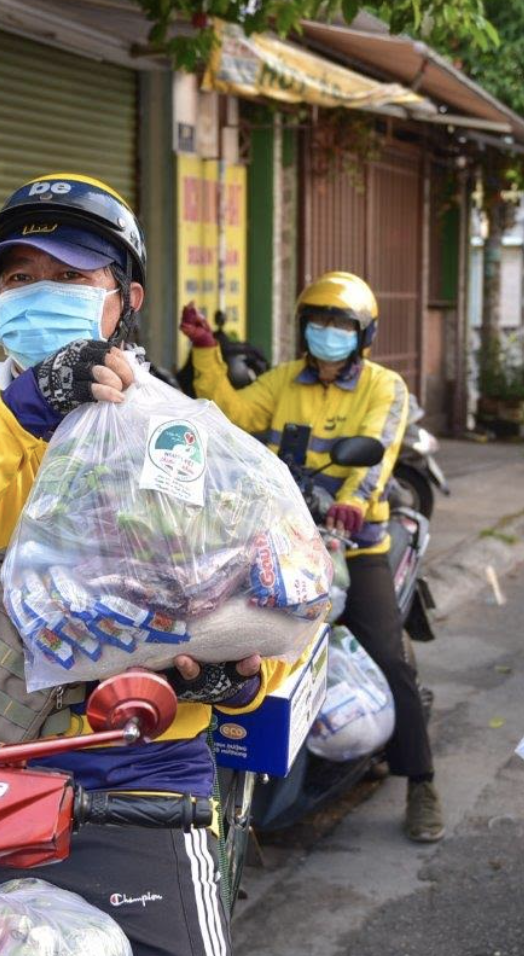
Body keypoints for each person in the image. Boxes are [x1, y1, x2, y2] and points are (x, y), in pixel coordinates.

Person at [0, 172, 283, 956]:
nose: (37, 292)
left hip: (140, 768)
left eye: (69, 277)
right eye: (20, 277)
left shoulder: (178, 426)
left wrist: (234, 679)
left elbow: (236, 588)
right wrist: (23, 411)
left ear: (127, 298)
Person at [180, 271, 445, 843]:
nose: (328, 332)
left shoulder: (385, 386)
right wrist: (205, 351)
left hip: (357, 542)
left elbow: (377, 457)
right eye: (318, 321)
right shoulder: (283, 381)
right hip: (275, 541)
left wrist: (350, 505)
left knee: (386, 655)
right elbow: (228, 413)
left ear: (363, 333)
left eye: (341, 324)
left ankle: (421, 783)